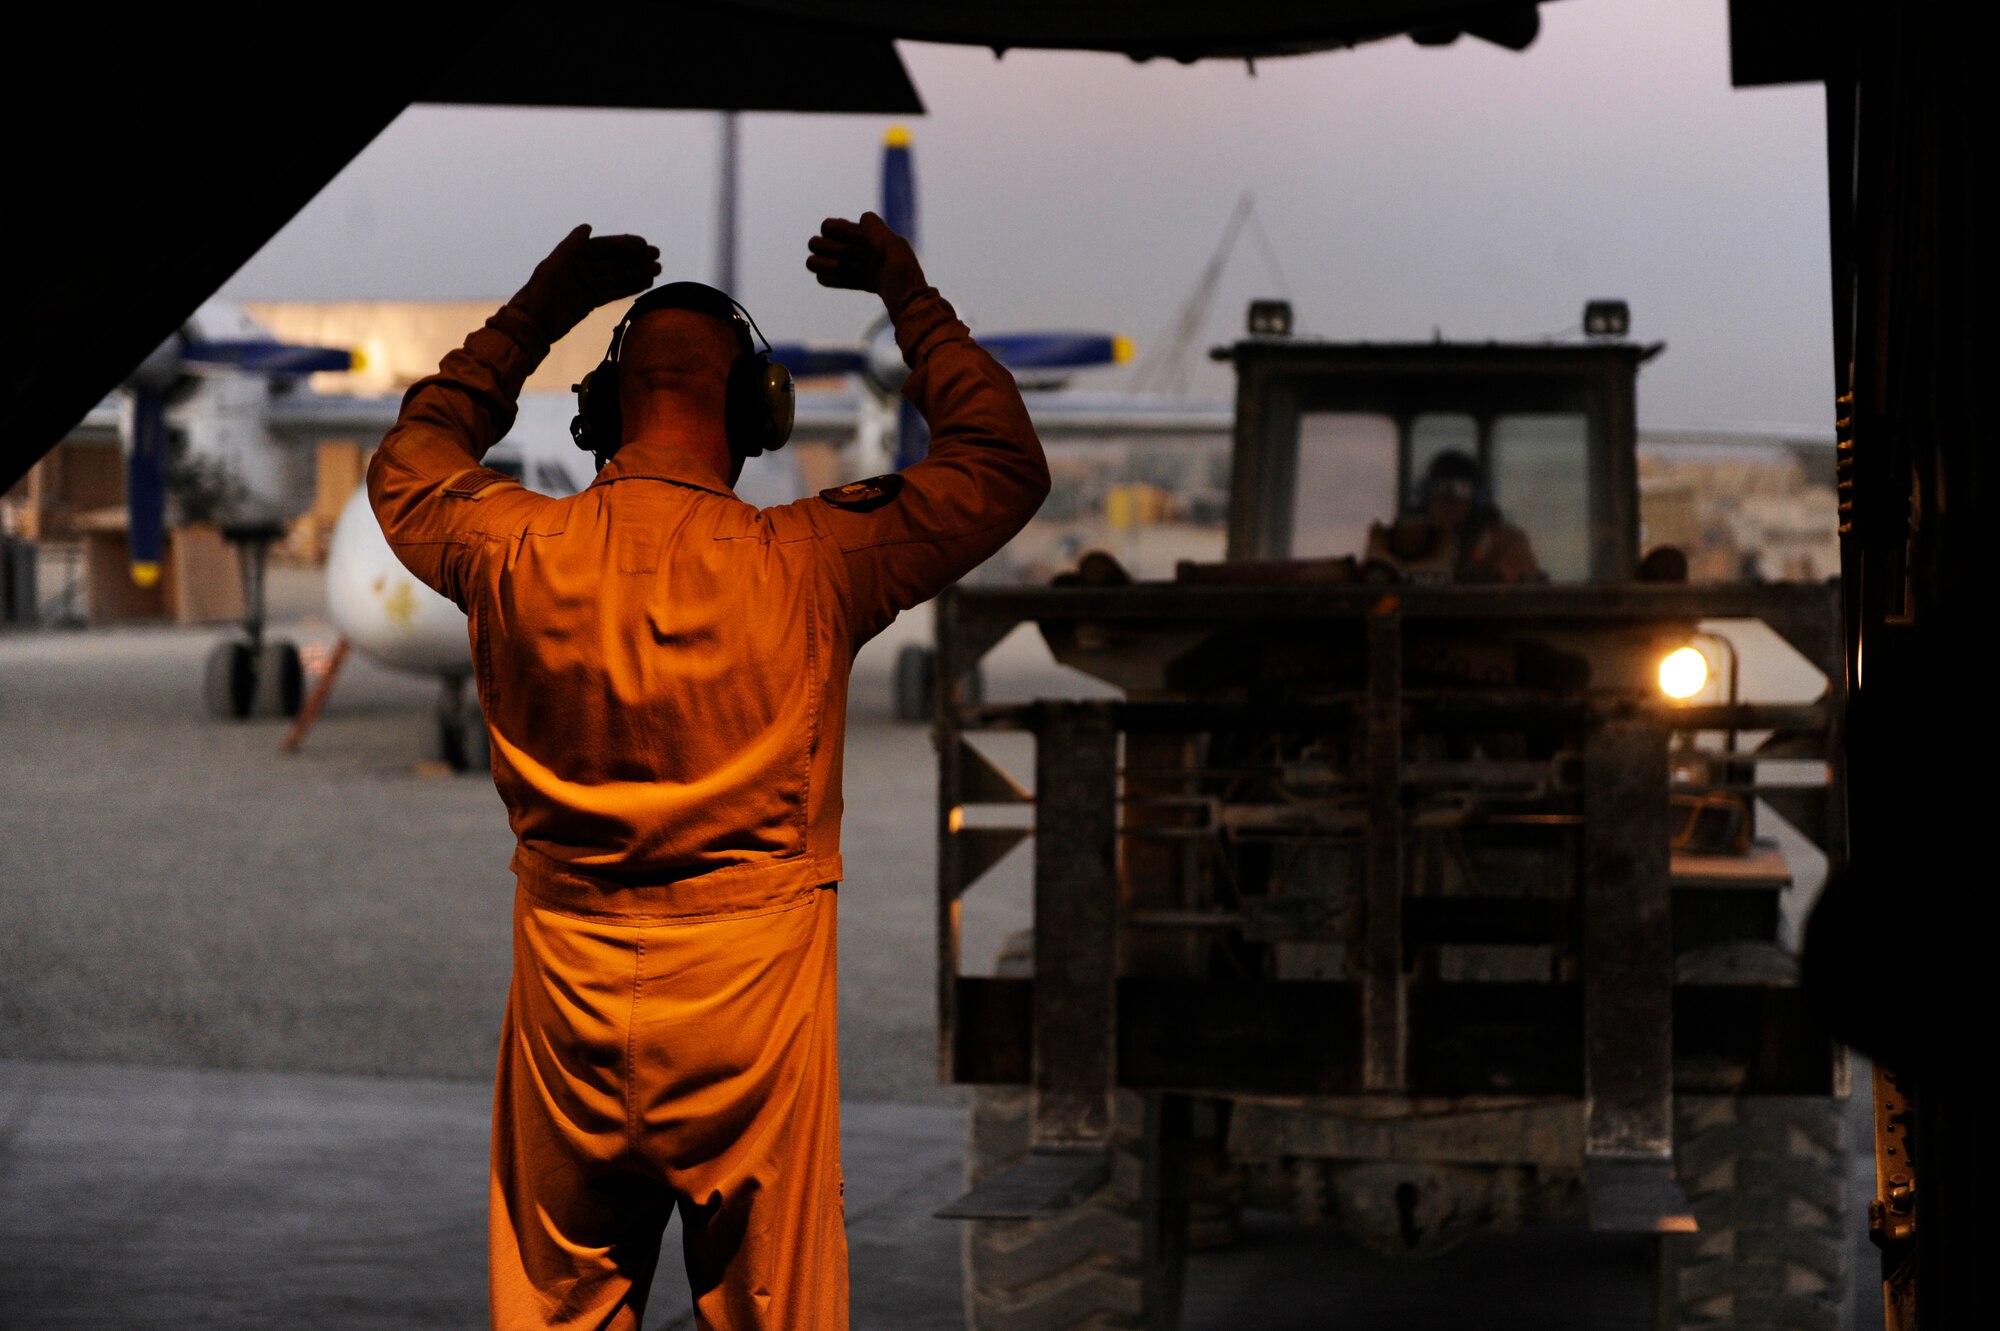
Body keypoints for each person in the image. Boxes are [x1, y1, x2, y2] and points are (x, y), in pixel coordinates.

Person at [367, 214, 1049, 1330]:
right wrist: (908, 298)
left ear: (599, 412)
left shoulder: (508, 548)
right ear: (754, 416)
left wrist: (536, 313)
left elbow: (410, 458)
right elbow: (1002, 463)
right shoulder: (816, 560)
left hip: (567, 1015)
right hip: (751, 1020)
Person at [1365, 448, 1542, 583]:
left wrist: (1483, 574)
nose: (1448, 501)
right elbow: (1375, 579)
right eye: (1439, 489)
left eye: (1461, 491)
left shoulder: (1503, 540)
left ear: (1477, 499)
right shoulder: (1401, 539)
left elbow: (1523, 577)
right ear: (1424, 496)